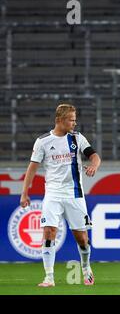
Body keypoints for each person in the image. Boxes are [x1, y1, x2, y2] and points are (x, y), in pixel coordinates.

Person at [20, 103, 101, 287]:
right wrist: (24, 193)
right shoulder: (43, 142)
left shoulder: (77, 138)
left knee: (82, 238)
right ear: (59, 120)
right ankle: (49, 277)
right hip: (53, 195)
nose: (74, 123)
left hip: (75, 194)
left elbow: (94, 156)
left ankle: (86, 267)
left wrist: (94, 165)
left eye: (75, 119)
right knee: (48, 232)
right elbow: (32, 169)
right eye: (71, 120)